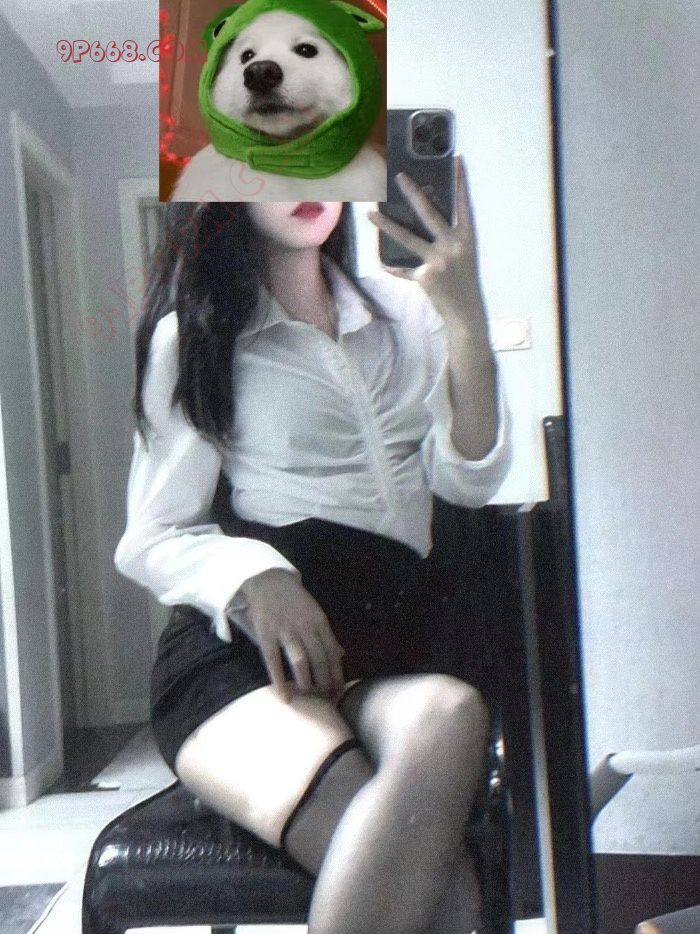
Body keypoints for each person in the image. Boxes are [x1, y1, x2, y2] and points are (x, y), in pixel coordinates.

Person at [114, 156, 511, 934]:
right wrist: (257, 578)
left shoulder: (409, 315)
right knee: (444, 897)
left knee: (449, 713)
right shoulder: (193, 338)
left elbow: (468, 480)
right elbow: (152, 534)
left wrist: (467, 320)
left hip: (385, 646)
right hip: (246, 663)